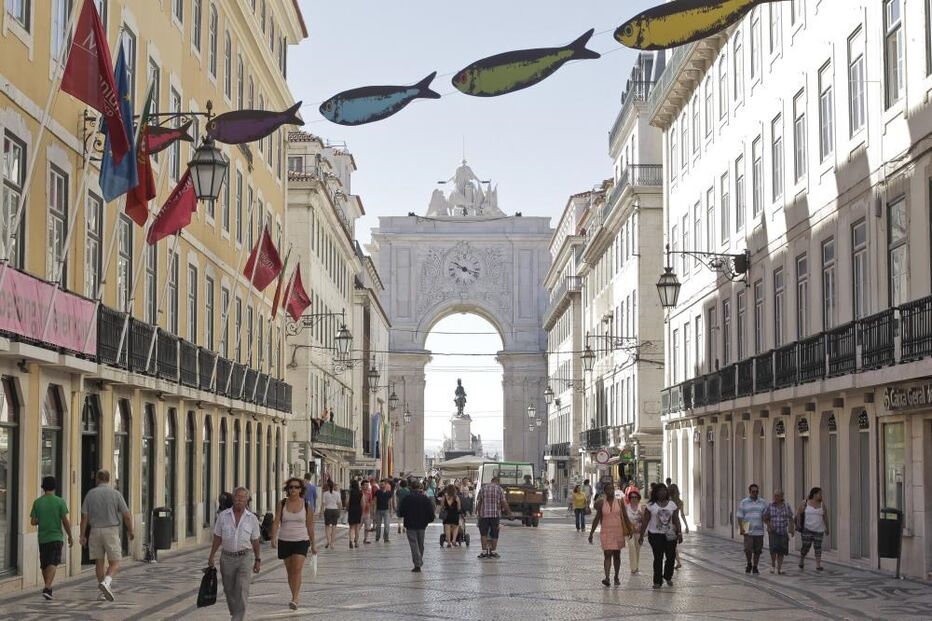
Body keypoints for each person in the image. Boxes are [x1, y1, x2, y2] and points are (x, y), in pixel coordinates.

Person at [208, 487, 261, 621]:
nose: (239, 500)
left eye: (242, 498)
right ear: (233, 498)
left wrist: (258, 559)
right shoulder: (223, 516)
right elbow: (217, 537)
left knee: (242, 589)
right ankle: (235, 612)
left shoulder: (252, 519)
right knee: (229, 589)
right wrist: (212, 555)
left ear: (247, 500)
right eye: (237, 497)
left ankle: (237, 617)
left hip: (245, 557)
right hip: (227, 557)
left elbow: (255, 540)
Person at [79, 470, 133, 602]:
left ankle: (102, 593)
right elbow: (126, 514)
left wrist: (82, 535)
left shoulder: (90, 494)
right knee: (115, 562)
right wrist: (130, 530)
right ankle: (107, 582)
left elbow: (84, 516)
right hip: (111, 531)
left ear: (97, 479)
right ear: (109, 479)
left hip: (95, 530)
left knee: (99, 561)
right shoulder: (115, 494)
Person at [271, 477, 318, 611]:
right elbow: (276, 522)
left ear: (301, 490)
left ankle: (295, 598)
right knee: (290, 571)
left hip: (301, 541)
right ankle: (294, 595)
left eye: (296, 487)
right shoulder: (282, 503)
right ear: (288, 489)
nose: (293, 489)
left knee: (297, 569)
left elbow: (310, 526)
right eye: (291, 487)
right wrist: (273, 537)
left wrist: (313, 544)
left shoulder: (306, 505)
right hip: (285, 540)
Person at [30, 476, 72, 600]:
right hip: (56, 537)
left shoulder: (37, 502)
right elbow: (65, 521)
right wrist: (70, 535)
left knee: (44, 564)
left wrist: (41, 519)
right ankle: (47, 587)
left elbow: (33, 521)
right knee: (53, 562)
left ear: (43, 487)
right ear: (54, 487)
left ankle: (48, 588)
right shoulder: (59, 501)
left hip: (42, 538)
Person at [638, 483, 683, 589]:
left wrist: (680, 533)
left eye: (664, 490)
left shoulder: (672, 504)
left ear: (666, 492)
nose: (662, 492)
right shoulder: (651, 505)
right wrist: (641, 535)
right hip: (655, 535)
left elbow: (676, 519)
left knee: (671, 556)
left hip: (670, 534)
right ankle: (657, 581)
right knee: (658, 557)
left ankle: (668, 576)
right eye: (660, 491)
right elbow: (645, 520)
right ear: (656, 493)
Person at [588, 482, 633, 586]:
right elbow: (597, 518)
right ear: (605, 491)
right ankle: (607, 577)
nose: (610, 491)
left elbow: (625, 516)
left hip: (618, 531)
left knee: (617, 555)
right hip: (606, 531)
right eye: (608, 489)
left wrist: (630, 528)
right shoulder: (601, 503)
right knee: (607, 554)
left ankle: (616, 576)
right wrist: (591, 533)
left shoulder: (620, 502)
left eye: (611, 489)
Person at [397, 481, 435, 572]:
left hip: (410, 524)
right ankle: (419, 561)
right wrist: (428, 520)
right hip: (422, 525)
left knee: (413, 544)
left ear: (411, 487)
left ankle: (417, 564)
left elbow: (401, 511)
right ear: (420, 487)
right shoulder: (425, 498)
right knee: (420, 544)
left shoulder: (407, 499)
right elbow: (430, 511)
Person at [476, 476, 513, 559]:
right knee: (495, 534)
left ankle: (484, 552)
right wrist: (509, 513)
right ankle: (493, 552)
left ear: (491, 481)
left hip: (484, 514)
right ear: (497, 481)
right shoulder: (499, 489)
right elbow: (503, 502)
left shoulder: (483, 488)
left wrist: (477, 513)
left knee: (483, 533)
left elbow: (479, 501)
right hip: (495, 515)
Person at [736, 483, 768, 574]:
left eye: (756, 491)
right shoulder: (744, 502)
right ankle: (749, 563)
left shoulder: (762, 502)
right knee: (748, 549)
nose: (755, 493)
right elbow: (739, 516)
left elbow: (765, 515)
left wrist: (768, 524)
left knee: (758, 550)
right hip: (747, 528)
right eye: (753, 491)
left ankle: (755, 566)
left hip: (759, 529)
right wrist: (741, 528)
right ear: (749, 492)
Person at [797, 486, 830, 571]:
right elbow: (799, 513)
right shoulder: (805, 502)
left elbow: (825, 517)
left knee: (818, 547)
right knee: (806, 546)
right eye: (820, 494)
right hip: (807, 528)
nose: (821, 495)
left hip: (819, 530)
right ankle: (802, 559)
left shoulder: (822, 505)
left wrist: (827, 528)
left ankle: (818, 565)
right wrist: (799, 524)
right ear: (815, 494)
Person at [762, 489, 794, 575]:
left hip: (783, 531)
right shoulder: (770, 506)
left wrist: (792, 528)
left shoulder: (786, 506)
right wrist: (769, 524)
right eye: (774, 495)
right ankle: (773, 564)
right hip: (773, 531)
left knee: (782, 550)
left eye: (777, 496)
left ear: (781, 497)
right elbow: (764, 517)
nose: (775, 497)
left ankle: (779, 568)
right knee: (773, 549)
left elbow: (790, 517)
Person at [668, 483, 689, 569]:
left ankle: (675, 562)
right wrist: (686, 526)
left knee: (671, 545)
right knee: (673, 545)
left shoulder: (668, 502)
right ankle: (678, 562)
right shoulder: (680, 502)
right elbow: (682, 515)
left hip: (670, 524)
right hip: (677, 524)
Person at [624, 489, 643, 575]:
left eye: (635, 497)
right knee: (631, 547)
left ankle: (637, 566)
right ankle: (633, 568)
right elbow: (624, 519)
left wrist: (641, 515)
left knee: (637, 548)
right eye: (632, 497)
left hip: (638, 531)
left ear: (638, 498)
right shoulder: (626, 507)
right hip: (629, 532)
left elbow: (645, 520)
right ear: (629, 498)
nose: (634, 499)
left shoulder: (641, 507)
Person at [320, 480, 342, 550]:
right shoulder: (337, 493)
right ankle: (332, 543)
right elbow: (339, 504)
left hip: (328, 510)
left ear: (328, 486)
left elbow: (323, 504)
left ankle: (328, 541)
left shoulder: (325, 494)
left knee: (327, 527)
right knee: (334, 527)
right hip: (335, 510)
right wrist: (339, 511)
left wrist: (321, 512)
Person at [347, 480, 363, 548]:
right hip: (358, 509)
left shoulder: (350, 492)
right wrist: (361, 510)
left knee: (351, 527)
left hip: (351, 509)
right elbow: (362, 503)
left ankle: (350, 540)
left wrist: (347, 508)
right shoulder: (360, 493)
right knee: (357, 527)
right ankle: (356, 542)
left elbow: (347, 502)